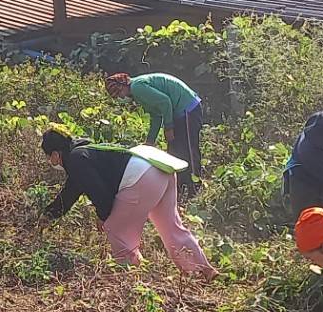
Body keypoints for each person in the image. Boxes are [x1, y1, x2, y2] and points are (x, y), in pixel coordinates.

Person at [40, 129, 217, 279]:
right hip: (160, 170)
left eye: (49, 157)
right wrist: (49, 215)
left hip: (142, 177)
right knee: (171, 226)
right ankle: (202, 270)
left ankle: (133, 277)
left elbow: (101, 194)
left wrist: (103, 216)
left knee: (115, 228)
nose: (50, 162)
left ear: (55, 155)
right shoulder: (83, 151)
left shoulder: (76, 159)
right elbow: (70, 192)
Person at [106, 72, 205, 194]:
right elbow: (156, 115)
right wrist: (149, 142)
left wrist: (168, 127)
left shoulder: (137, 87)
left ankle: (195, 185)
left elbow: (165, 102)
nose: (121, 98)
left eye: (119, 94)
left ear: (123, 86)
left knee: (188, 149)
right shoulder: (137, 94)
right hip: (178, 113)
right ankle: (181, 187)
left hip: (187, 108)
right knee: (175, 152)